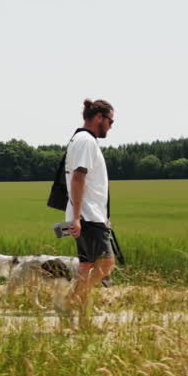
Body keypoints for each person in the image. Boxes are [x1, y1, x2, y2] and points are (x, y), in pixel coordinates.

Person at [65, 98, 115, 321]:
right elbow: (78, 178)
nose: (111, 126)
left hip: (90, 215)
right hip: (87, 216)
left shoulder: (81, 139)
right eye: (110, 121)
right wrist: (77, 218)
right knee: (106, 264)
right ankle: (69, 302)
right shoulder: (86, 141)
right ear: (99, 118)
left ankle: (83, 319)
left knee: (86, 267)